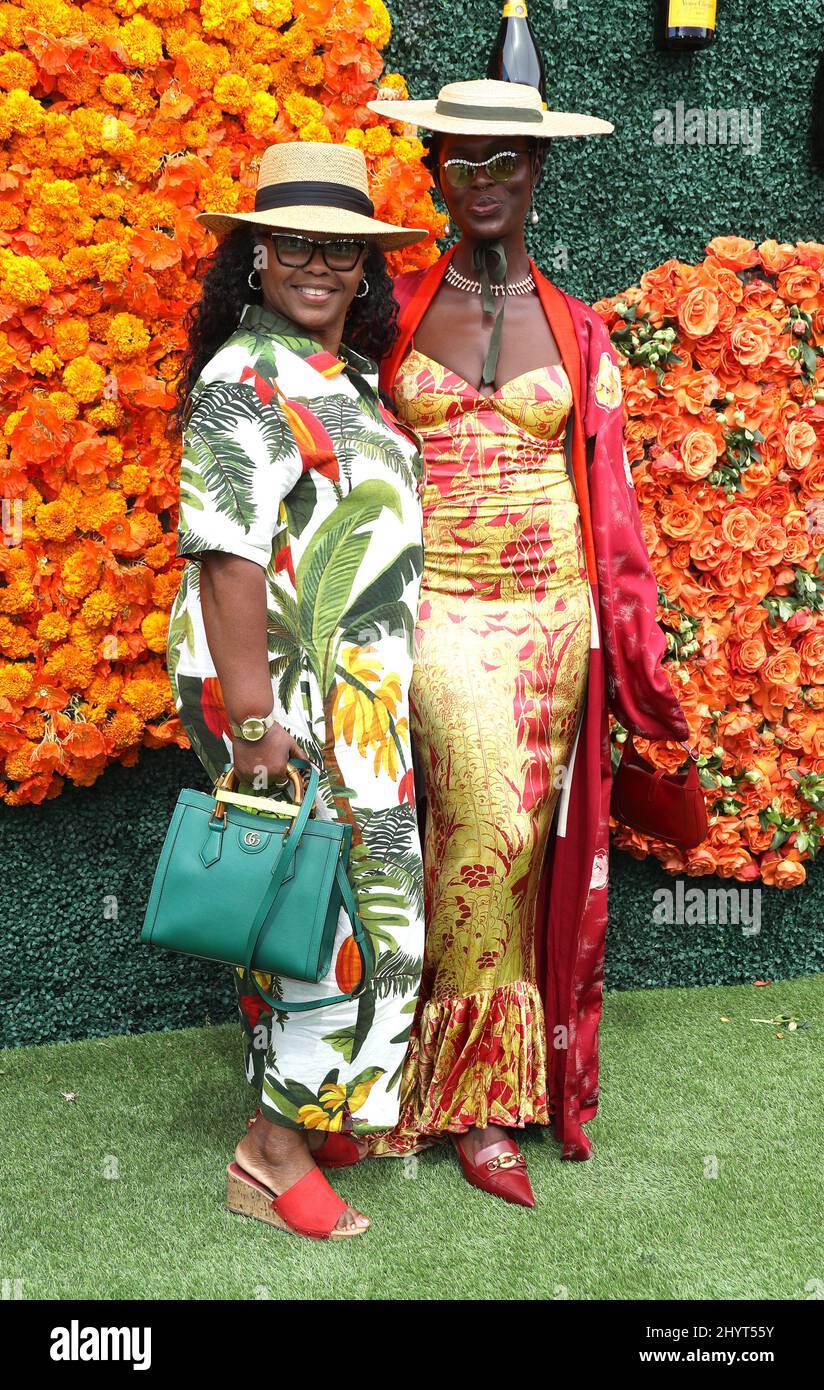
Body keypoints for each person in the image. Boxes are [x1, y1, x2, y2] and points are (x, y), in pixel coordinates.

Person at [364, 79, 693, 1203]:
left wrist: (633, 658)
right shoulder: (390, 312)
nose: (486, 182)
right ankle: (460, 1098)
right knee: (480, 839)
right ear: (436, 173)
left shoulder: (578, 326)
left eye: (508, 162)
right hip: (441, 615)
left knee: (526, 861)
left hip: (554, 622)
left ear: (538, 174)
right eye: (464, 162)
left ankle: (489, 1088)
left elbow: (611, 501)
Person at [166, 141, 429, 1239]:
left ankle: (303, 1112)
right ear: (256, 258)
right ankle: (266, 1155)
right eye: (293, 245)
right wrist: (256, 724)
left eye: (340, 249)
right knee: (339, 921)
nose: (317, 265)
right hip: (282, 689)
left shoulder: (346, 377)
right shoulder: (243, 382)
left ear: (364, 269)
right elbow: (226, 559)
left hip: (354, 689)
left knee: (337, 913)